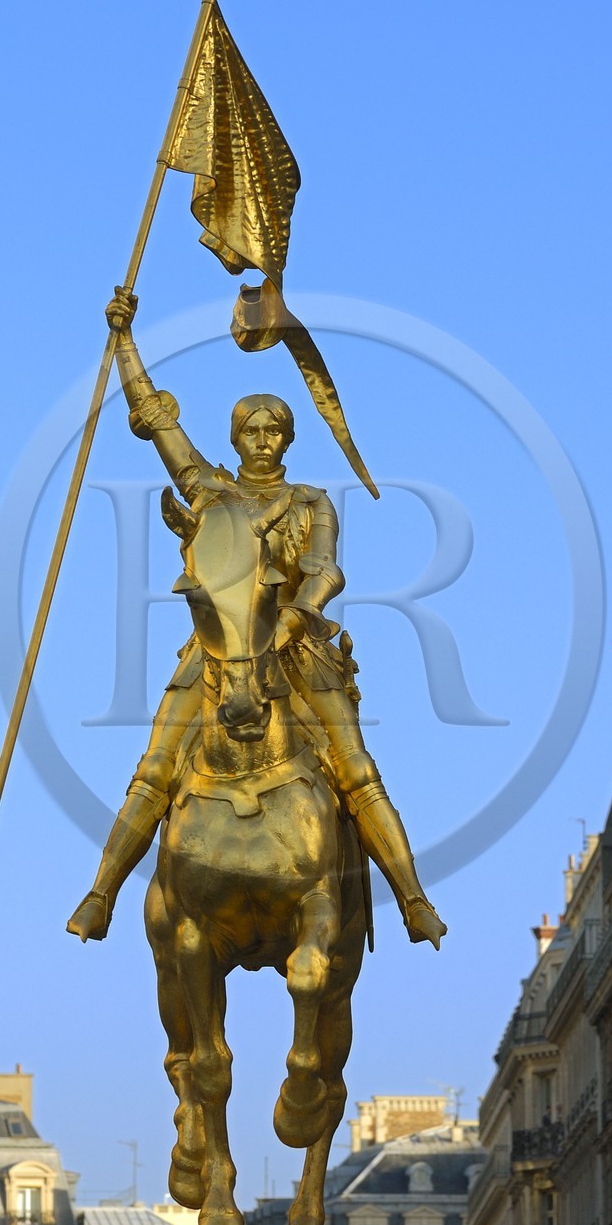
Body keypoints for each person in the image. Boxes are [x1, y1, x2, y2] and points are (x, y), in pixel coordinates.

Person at [66, 288, 446, 948]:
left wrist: (300, 616)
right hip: (217, 649)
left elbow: (326, 569)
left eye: (274, 431)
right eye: (251, 430)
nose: (263, 441)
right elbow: (157, 423)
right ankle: (101, 893)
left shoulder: (310, 501)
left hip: (297, 646)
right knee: (155, 768)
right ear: (234, 438)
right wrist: (124, 342)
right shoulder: (211, 493)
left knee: (356, 769)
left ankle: (412, 898)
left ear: (289, 439)